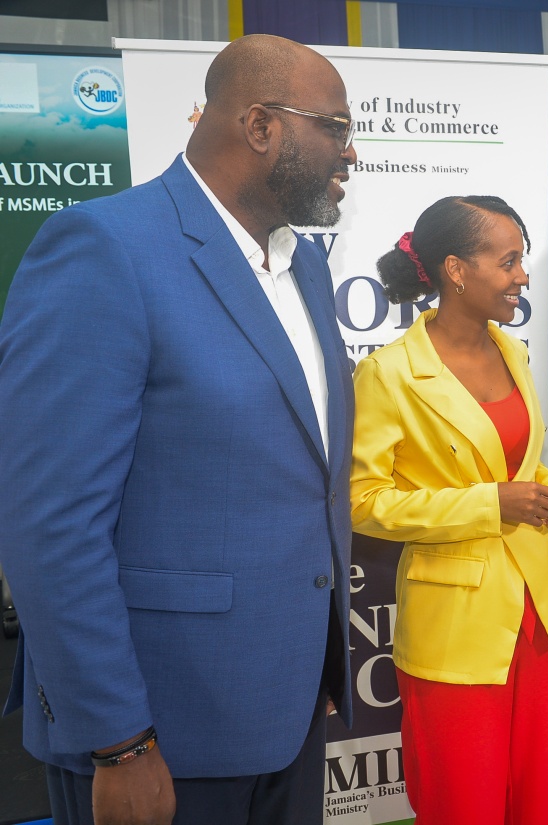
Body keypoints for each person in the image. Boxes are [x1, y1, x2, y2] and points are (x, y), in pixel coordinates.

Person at [0, 34, 357, 825]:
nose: (351, 150)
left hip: (286, 710)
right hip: (157, 735)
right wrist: (118, 741)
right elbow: (49, 525)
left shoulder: (304, 264)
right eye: (333, 126)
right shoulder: (105, 249)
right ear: (259, 125)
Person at [350, 195, 548, 825]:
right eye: (509, 262)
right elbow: (362, 504)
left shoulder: (514, 352)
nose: (523, 276)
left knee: (543, 803)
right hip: (457, 629)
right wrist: (489, 505)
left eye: (522, 261)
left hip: (540, 617)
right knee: (465, 805)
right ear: (456, 269)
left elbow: (515, 464)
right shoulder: (389, 375)